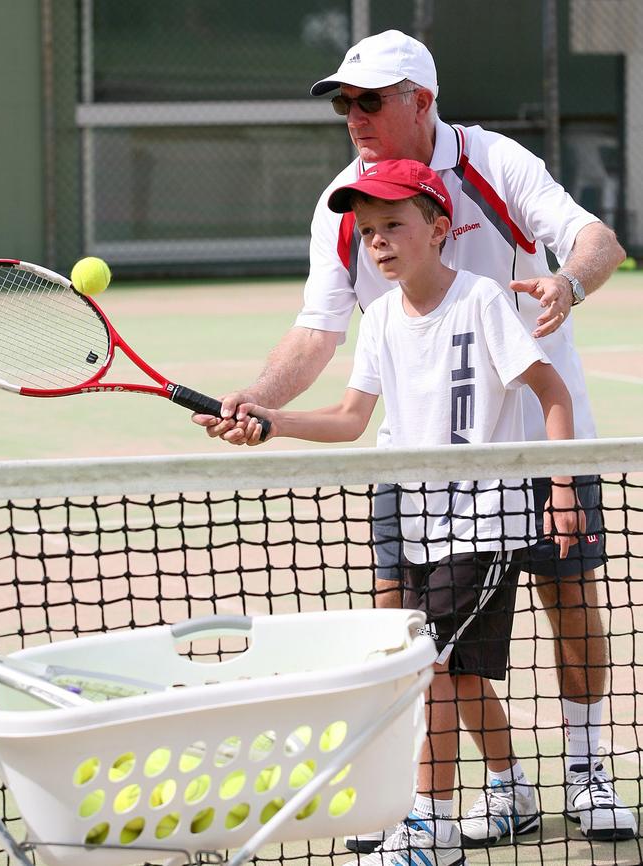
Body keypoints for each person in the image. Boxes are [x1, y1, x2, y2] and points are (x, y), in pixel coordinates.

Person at [194, 30, 635, 845]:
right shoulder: (348, 204)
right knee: (411, 637)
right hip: (419, 456)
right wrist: (259, 399)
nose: (352, 116)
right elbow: (318, 333)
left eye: (369, 100)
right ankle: (498, 789)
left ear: (420, 102)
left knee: (567, 597)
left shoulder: (495, 162)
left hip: (536, 439)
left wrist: (566, 285)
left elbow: (595, 239)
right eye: (343, 103)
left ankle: (586, 769)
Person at [224, 159, 584, 866]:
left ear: (440, 229)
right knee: (452, 672)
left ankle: (432, 828)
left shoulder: (482, 300)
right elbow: (352, 418)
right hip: (409, 517)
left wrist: (563, 488)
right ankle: (511, 787)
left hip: (483, 521)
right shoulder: (381, 317)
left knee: (435, 670)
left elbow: (554, 392)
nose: (379, 242)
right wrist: (273, 419)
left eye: (394, 225)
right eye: (367, 232)